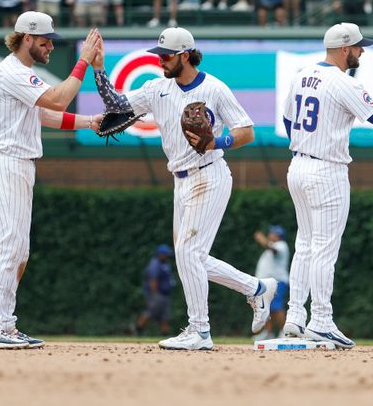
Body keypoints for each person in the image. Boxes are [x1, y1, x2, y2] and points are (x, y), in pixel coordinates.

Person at [93, 27, 277, 350]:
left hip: (209, 174)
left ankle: (200, 331)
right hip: (180, 180)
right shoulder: (156, 89)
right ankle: (257, 288)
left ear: (185, 55)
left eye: (166, 56)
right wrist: (98, 69)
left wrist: (216, 142)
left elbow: (246, 131)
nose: (160, 60)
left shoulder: (215, 89)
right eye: (159, 55)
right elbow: (117, 104)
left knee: (188, 254)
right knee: (190, 258)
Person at [280, 23, 373, 349]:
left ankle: (295, 316)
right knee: (324, 250)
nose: (362, 52)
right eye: (358, 47)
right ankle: (322, 320)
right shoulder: (342, 82)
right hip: (326, 170)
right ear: (345, 49)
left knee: (305, 244)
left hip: (298, 164)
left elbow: (288, 119)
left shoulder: (302, 74)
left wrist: (305, 143)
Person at [0, 12, 103, 350]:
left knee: (19, 251)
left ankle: (3, 322)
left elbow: (47, 114)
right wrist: (84, 62)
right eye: (44, 39)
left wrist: (91, 122)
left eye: (52, 39)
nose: (50, 45)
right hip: (5, 163)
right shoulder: (12, 70)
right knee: (5, 247)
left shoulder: (23, 74)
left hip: (18, 164)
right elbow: (58, 99)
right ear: (26, 38)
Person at [253, 225, 290, 339]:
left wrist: (262, 240)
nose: (269, 235)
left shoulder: (281, 245)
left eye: (272, 233)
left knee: (276, 308)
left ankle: (286, 332)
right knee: (266, 308)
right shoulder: (273, 246)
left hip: (278, 282)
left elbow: (273, 250)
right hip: (268, 283)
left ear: (277, 235)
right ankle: (268, 333)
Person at [135, 244, 175, 336]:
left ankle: (165, 335)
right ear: (160, 254)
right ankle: (138, 330)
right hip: (157, 294)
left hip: (164, 294)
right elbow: (153, 280)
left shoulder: (164, 264)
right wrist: (155, 294)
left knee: (164, 315)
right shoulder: (155, 264)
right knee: (150, 312)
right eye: (166, 254)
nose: (167, 256)